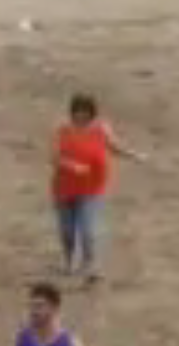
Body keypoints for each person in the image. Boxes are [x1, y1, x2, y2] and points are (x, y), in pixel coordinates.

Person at [51, 92, 143, 282]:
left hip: (92, 188)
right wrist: (72, 166)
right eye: (78, 112)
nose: (81, 116)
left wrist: (134, 155)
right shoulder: (63, 130)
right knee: (67, 231)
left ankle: (89, 266)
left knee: (87, 229)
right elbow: (54, 157)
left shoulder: (101, 129)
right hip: (65, 188)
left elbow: (114, 147)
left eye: (85, 112)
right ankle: (70, 261)